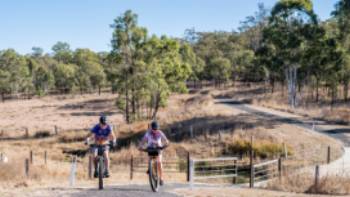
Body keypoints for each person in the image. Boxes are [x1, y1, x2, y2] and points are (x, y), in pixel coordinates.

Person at [138, 121, 169, 185]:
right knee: (149, 157)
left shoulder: (160, 133)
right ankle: (150, 167)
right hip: (150, 149)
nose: (155, 130)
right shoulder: (148, 133)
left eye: (156, 129)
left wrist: (165, 144)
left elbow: (166, 140)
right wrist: (140, 146)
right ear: (151, 128)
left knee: (159, 162)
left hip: (158, 149)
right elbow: (143, 140)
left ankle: (161, 178)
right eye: (153, 129)